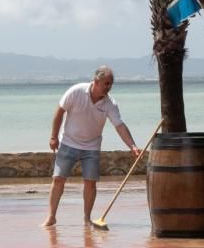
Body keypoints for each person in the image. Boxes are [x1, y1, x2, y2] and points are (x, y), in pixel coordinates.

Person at [43, 66, 141, 227]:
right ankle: (51, 217)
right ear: (96, 81)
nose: (109, 87)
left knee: (90, 182)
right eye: (106, 83)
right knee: (58, 179)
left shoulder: (110, 103)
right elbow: (60, 111)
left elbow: (119, 126)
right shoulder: (76, 91)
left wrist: (133, 146)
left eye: (111, 84)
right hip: (68, 141)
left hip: (92, 147)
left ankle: (87, 219)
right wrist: (53, 137)